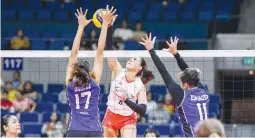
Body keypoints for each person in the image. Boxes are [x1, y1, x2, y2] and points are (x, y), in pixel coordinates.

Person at [140, 34, 209, 137]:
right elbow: (187, 71)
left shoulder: (182, 96)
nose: (179, 74)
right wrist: (175, 53)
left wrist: (151, 50)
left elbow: (163, 72)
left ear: (185, 85)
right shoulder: (204, 92)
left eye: (180, 78)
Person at [65, 7, 116, 137]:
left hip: (75, 130)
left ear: (75, 71)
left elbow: (74, 53)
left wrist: (81, 27)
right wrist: (105, 25)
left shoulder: (70, 83)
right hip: (94, 130)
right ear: (88, 72)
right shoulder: (94, 81)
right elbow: (100, 51)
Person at [103, 15, 154, 138]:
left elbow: (142, 110)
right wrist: (109, 26)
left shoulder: (139, 85)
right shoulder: (118, 71)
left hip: (128, 119)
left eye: (134, 59)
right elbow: (109, 49)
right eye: (131, 58)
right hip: (111, 115)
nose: (131, 59)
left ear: (140, 68)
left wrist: (126, 99)